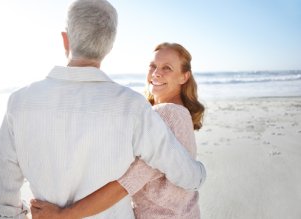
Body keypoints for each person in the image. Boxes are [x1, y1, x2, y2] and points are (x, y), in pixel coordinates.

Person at [0, 0, 206, 217]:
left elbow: (4, 198)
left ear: (65, 40)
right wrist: (200, 173)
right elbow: (188, 177)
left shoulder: (19, 102)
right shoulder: (132, 106)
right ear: (109, 46)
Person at [30, 42, 205, 219]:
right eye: (152, 66)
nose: (156, 73)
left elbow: (127, 182)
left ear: (184, 76)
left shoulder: (166, 114)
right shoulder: (179, 114)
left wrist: (64, 214)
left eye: (167, 68)